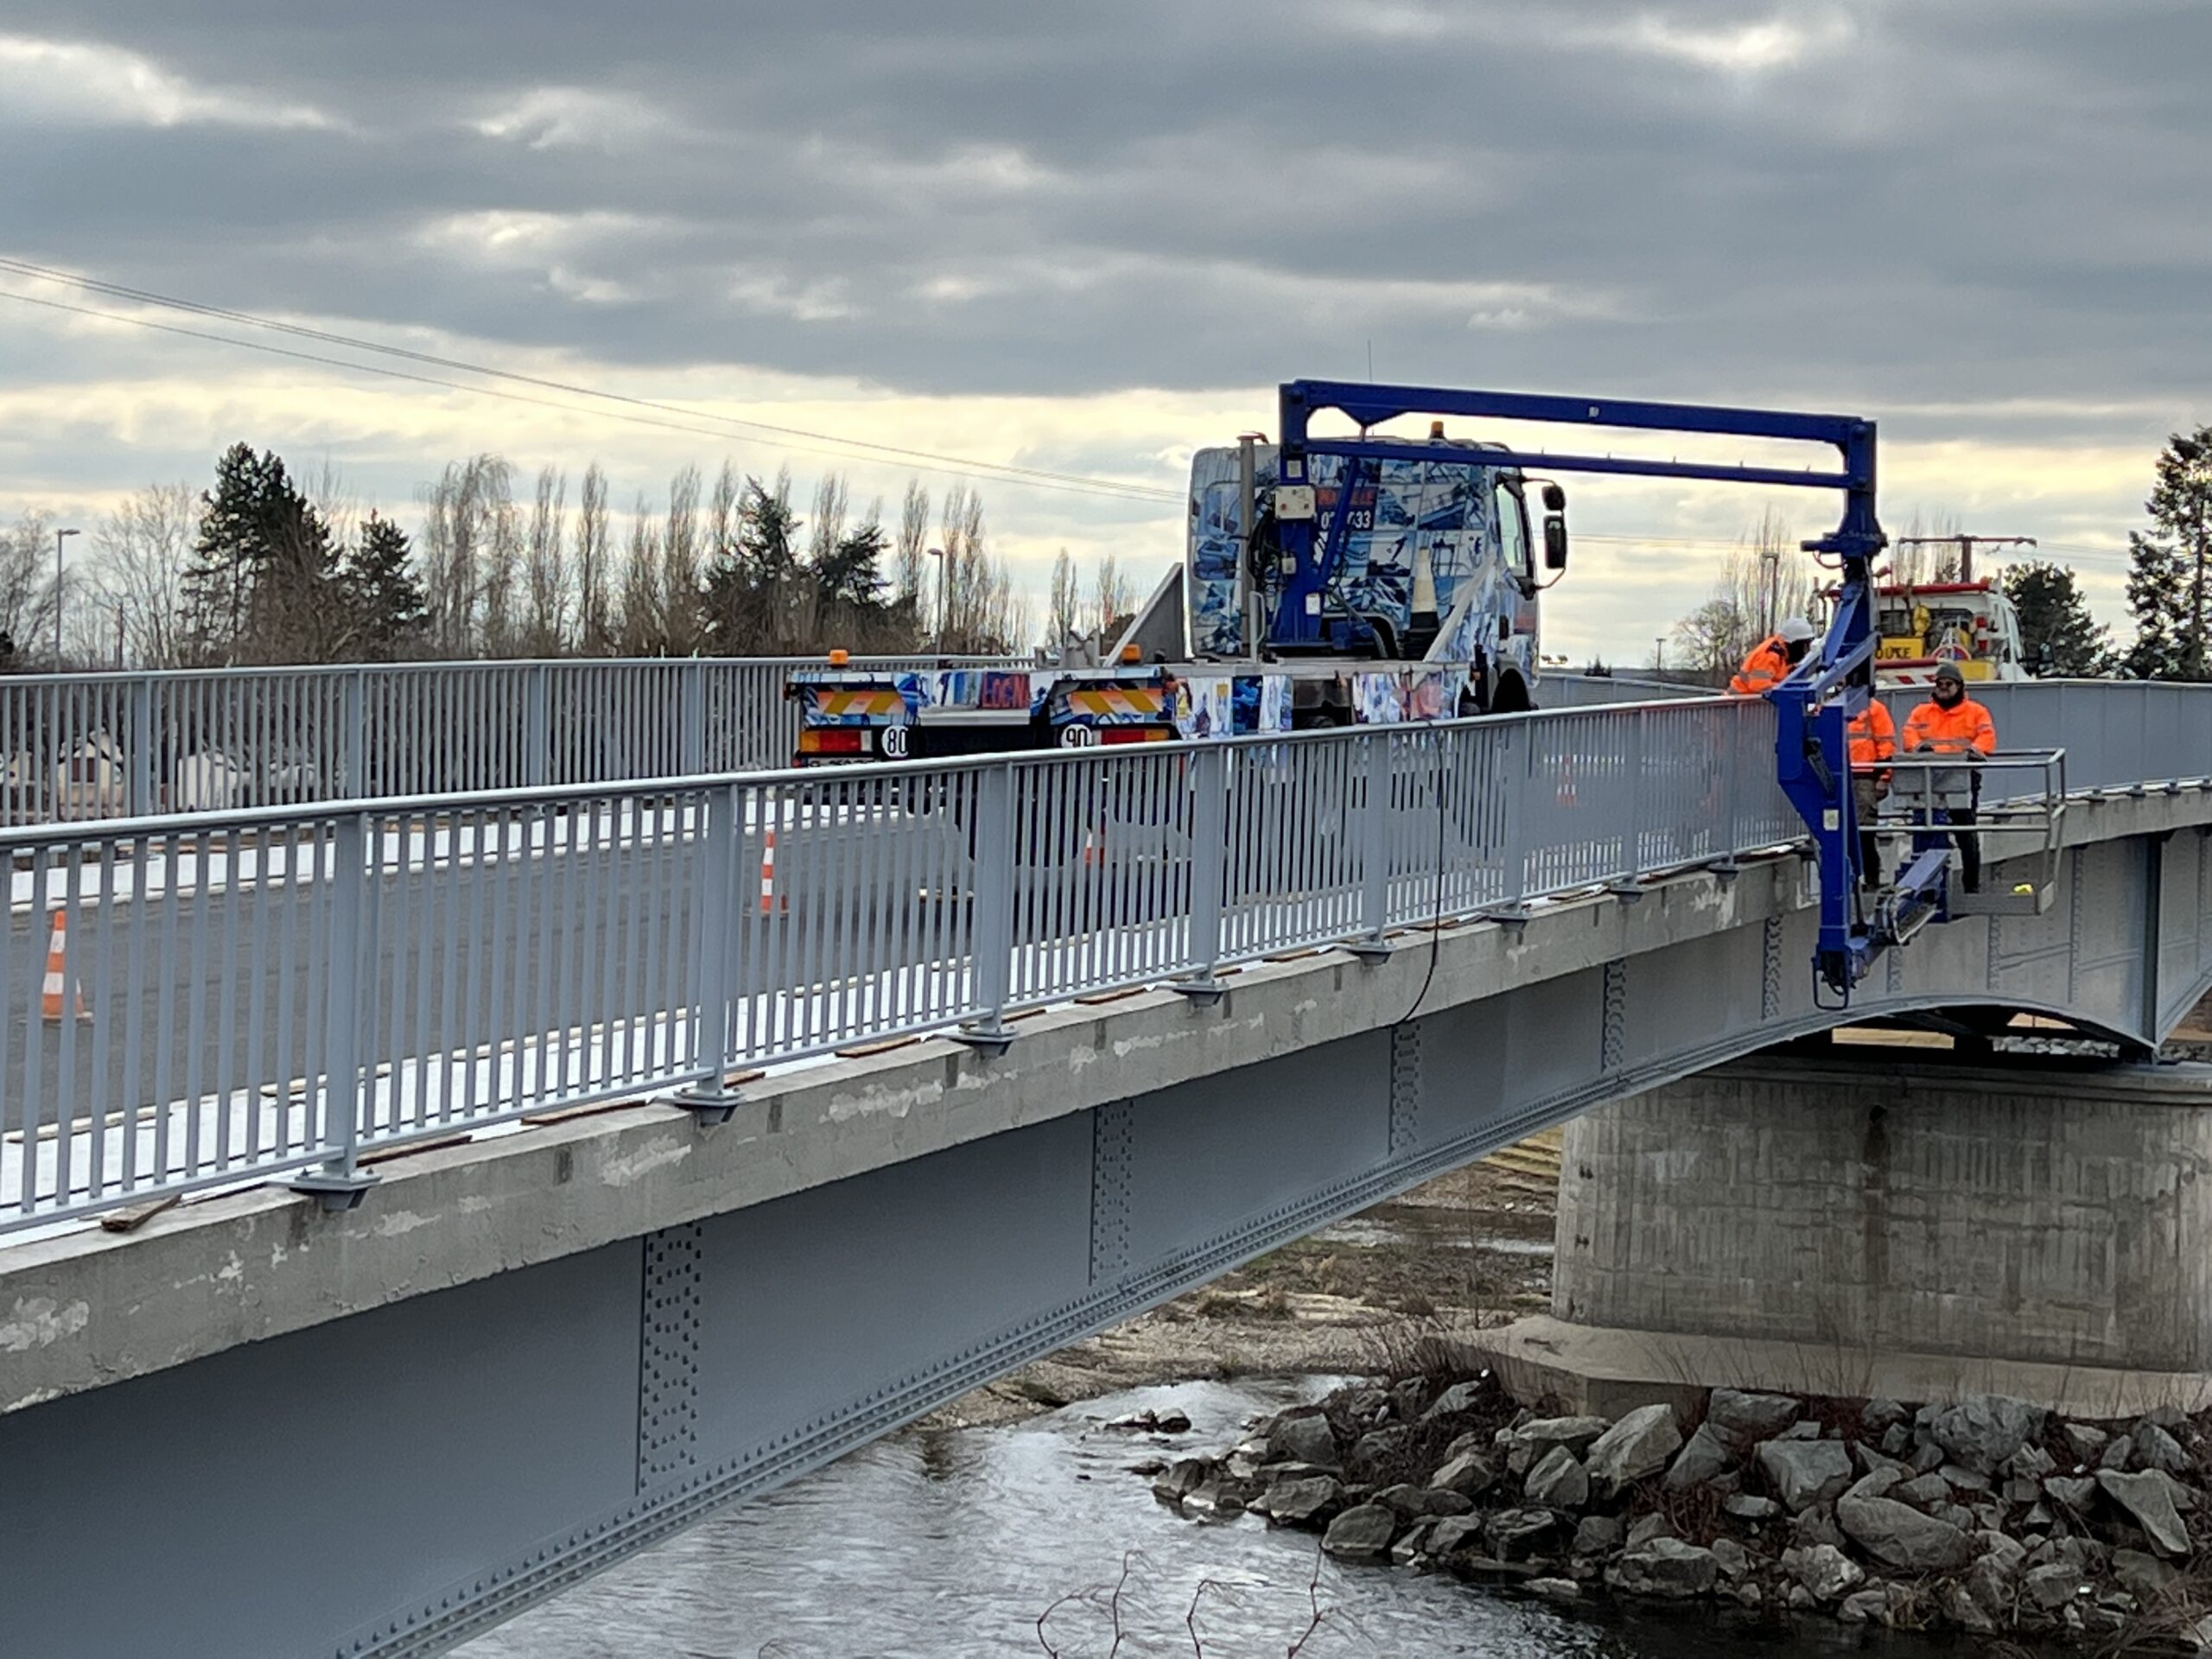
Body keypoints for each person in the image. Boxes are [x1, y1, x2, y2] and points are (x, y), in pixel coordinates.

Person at [1901, 661, 1996, 892]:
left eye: (1949, 684)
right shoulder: (1922, 712)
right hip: (1928, 779)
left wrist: (1976, 752)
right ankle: (1925, 884)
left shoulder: (1975, 712)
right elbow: (1909, 734)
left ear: (1960, 686)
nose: (1943, 688)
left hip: (1961, 777)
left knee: (1965, 832)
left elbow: (1987, 737)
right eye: (1940, 684)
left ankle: (1971, 884)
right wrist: (1918, 747)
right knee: (1925, 828)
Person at [1847, 695, 1895, 886]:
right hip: (1839, 775)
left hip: (1864, 775)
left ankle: (1871, 878)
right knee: (1843, 830)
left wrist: (1884, 777)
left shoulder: (1874, 709)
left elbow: (1886, 746)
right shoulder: (1828, 704)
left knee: (1865, 831)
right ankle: (1856, 879)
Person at [1729, 616, 1816, 696]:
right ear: (1794, 643)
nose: (1805, 651)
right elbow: (1759, 685)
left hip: (1748, 705)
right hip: (1736, 705)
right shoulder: (1770, 654)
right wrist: (1786, 689)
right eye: (1804, 645)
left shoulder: (1783, 657)